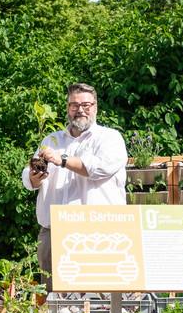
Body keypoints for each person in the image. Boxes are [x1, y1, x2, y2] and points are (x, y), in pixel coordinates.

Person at [21, 83, 128, 290]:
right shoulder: (52, 140)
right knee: (53, 299)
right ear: (67, 108)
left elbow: (99, 169)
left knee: (97, 299)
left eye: (86, 105)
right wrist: (34, 177)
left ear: (95, 107)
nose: (80, 110)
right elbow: (29, 175)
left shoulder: (110, 138)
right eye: (74, 105)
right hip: (53, 231)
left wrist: (61, 159)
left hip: (97, 234)